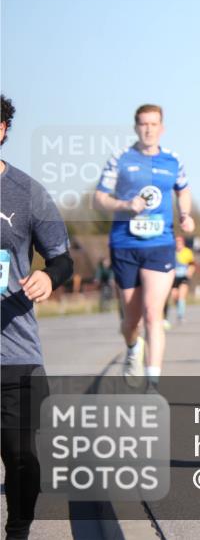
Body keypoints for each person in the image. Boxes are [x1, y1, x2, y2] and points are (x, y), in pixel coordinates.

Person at [1, 95, 74, 539]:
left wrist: (49, 278)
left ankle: (18, 530)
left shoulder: (26, 193)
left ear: (3, 129)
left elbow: (63, 259)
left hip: (14, 348)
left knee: (20, 454)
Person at [94, 104, 195, 390]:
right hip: (125, 243)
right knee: (130, 319)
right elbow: (99, 199)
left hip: (160, 244)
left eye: (154, 124)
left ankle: (153, 381)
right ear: (136, 127)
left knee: (154, 312)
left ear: (162, 127)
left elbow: (183, 190)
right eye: (143, 124)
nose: (148, 129)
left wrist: (185, 215)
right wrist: (124, 205)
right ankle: (132, 347)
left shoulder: (173, 160)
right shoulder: (121, 159)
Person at [167, 235, 196, 327]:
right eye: (176, 242)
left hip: (184, 277)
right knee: (174, 295)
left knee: (181, 295)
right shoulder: (171, 252)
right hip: (174, 277)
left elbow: (192, 264)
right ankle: (179, 308)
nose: (178, 244)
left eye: (180, 242)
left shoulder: (187, 252)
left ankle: (181, 315)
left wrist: (189, 272)